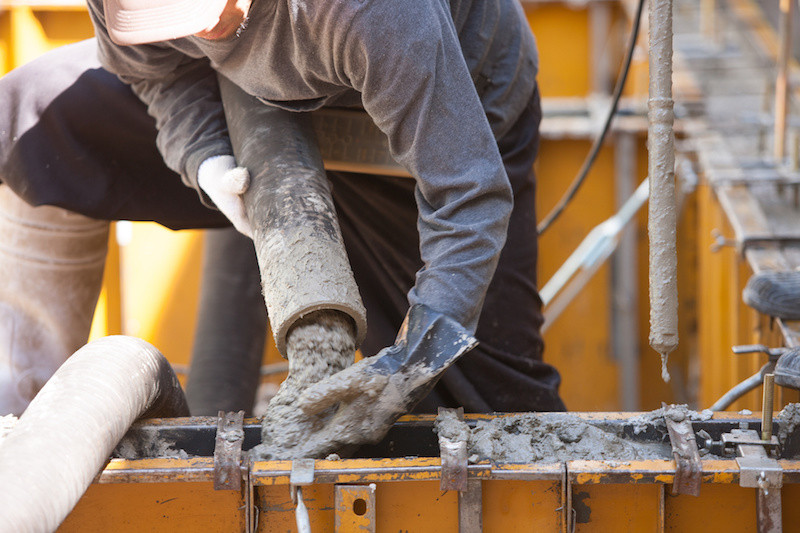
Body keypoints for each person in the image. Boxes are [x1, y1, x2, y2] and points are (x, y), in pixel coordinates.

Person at [0, 0, 564, 447]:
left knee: (498, 415)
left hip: (418, 135)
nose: (196, 32)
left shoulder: (373, 12)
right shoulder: (124, 5)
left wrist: (414, 363)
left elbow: (469, 192)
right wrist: (205, 157)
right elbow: (160, 70)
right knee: (27, 119)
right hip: (250, 108)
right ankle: (25, 427)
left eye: (202, 14)